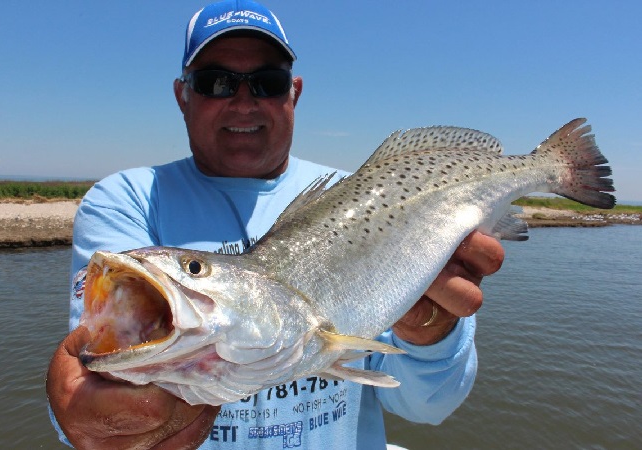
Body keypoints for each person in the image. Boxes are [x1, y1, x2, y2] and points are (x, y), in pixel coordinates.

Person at [46, 1, 505, 448]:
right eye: (216, 82)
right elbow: (99, 375)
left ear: (295, 92)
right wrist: (90, 413)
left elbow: (428, 407)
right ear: (182, 94)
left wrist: (430, 332)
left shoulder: (369, 201)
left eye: (267, 82)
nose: (243, 102)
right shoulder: (126, 201)